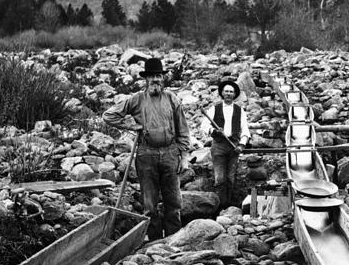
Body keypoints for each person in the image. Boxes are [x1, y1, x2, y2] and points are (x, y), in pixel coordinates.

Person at [103, 57, 191, 241]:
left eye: (158, 75)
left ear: (163, 78)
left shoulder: (172, 99)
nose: (155, 79)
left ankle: (174, 241)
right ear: (146, 79)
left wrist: (184, 156)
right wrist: (131, 125)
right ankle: (155, 242)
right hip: (146, 154)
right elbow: (109, 115)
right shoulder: (136, 100)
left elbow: (183, 129)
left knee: (174, 201)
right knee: (149, 204)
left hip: (170, 153)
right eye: (151, 76)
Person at [199, 79, 249, 209]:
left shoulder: (240, 111)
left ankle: (230, 206)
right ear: (222, 93)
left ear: (234, 94)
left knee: (230, 178)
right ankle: (221, 206)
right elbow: (204, 126)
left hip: (234, 148)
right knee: (220, 179)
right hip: (219, 147)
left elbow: (245, 130)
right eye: (226, 91)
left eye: (231, 92)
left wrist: (241, 145)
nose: (228, 94)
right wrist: (214, 130)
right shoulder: (214, 109)